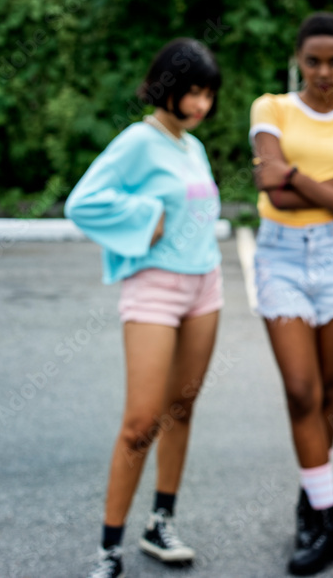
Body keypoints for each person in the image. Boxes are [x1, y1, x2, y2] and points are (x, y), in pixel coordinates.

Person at [65, 38, 224, 578]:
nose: (201, 104)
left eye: (208, 94)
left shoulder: (192, 146)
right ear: (167, 86)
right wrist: (144, 214)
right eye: (192, 92)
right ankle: (108, 550)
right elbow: (82, 201)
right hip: (154, 289)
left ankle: (161, 524)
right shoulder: (139, 140)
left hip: (206, 287)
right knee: (140, 423)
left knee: (182, 410)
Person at [249, 12, 333, 576]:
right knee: (302, 391)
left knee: (328, 388)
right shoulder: (271, 107)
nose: (324, 72)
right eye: (314, 61)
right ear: (298, 60)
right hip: (280, 257)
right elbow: (270, 191)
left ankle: (312, 493)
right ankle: (330, 522)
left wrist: (297, 177)